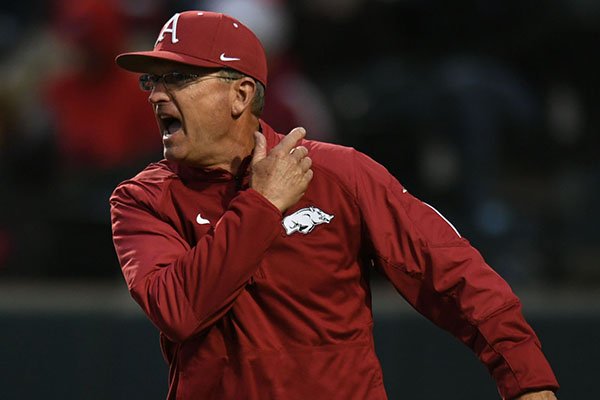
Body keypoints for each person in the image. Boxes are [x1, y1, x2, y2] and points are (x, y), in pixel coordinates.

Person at [110, 10, 559, 400]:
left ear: (241, 94)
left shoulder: (338, 174)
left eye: (178, 78)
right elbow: (178, 311)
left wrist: (526, 378)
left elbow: (452, 273)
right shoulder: (143, 201)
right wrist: (262, 204)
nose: (155, 95)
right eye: (153, 79)